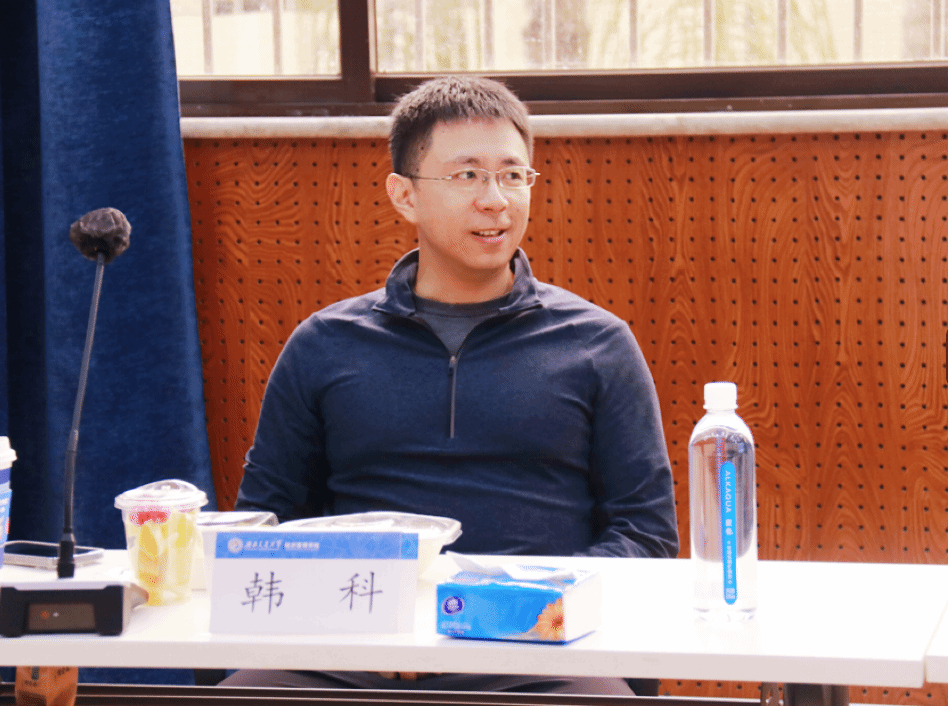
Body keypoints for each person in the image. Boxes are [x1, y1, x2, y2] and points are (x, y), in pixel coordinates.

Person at [225, 76, 679, 695]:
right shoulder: (324, 343)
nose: (495, 200)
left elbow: (645, 535)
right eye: (467, 176)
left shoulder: (597, 343)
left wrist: (498, 616)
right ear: (404, 195)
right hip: (354, 648)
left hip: (538, 647)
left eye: (513, 176)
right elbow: (266, 526)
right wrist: (379, 624)